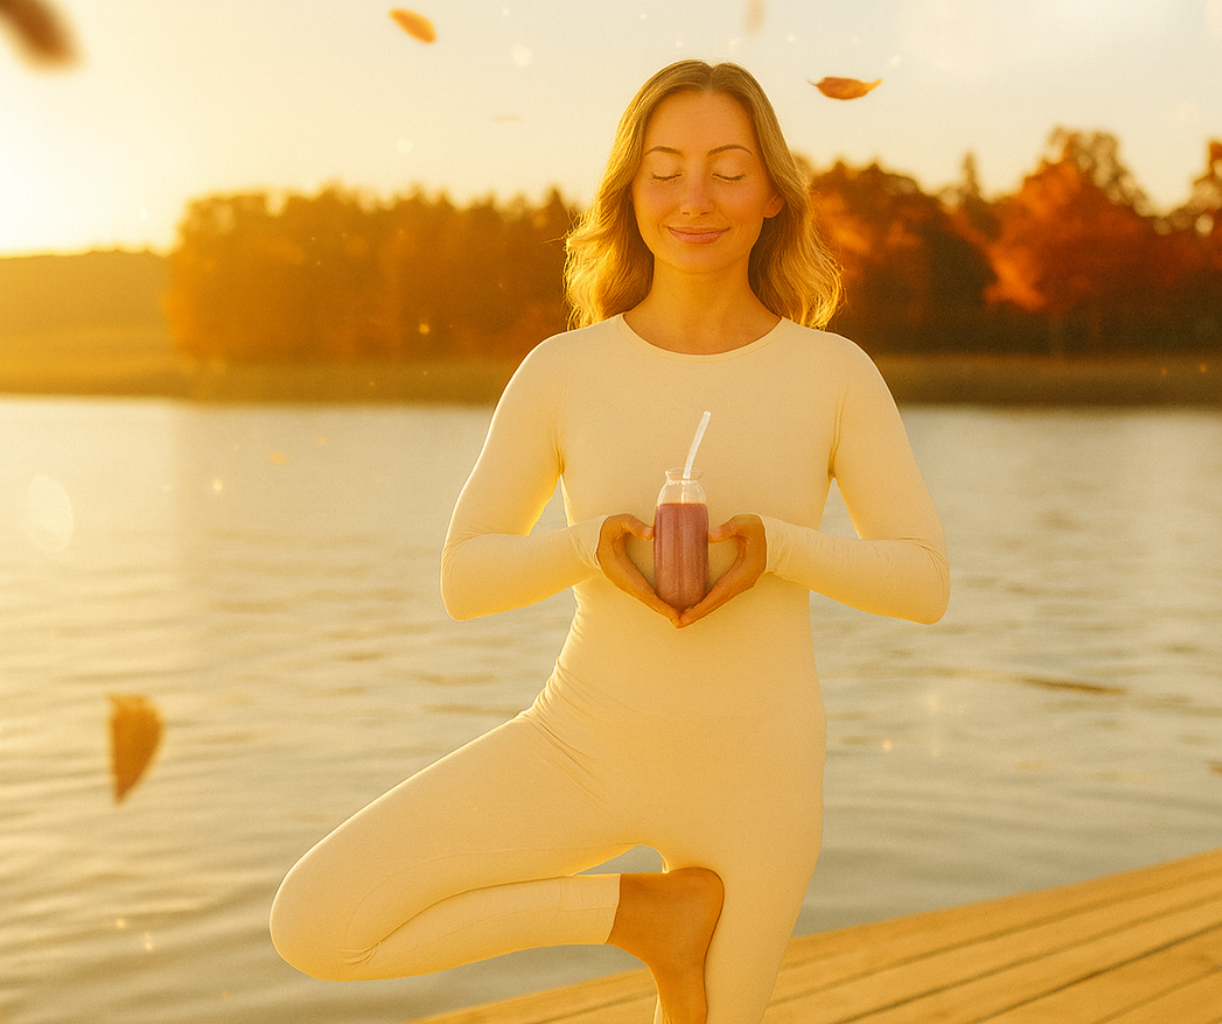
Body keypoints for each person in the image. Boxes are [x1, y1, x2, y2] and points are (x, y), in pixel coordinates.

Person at [269, 59, 948, 1024]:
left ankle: (672, 928)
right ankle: (646, 919)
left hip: (759, 776)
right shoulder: (564, 371)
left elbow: (923, 583)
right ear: (629, 192)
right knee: (320, 924)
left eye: (728, 170)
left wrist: (781, 548)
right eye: (664, 171)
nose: (695, 198)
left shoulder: (833, 373)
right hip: (580, 747)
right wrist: (586, 546)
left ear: (772, 194)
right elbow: (466, 578)